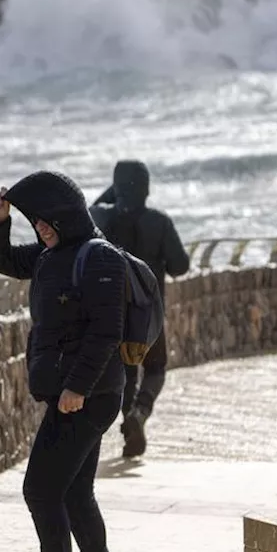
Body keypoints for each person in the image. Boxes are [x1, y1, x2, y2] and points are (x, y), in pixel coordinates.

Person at [0, 171, 124, 552]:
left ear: (67, 215)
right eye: (35, 220)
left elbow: (106, 332)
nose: (42, 227)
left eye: (48, 220)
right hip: (73, 392)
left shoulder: (97, 257)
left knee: (41, 489)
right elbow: (1, 259)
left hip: (87, 395)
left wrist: (77, 387)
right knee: (74, 492)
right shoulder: (48, 256)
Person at [89, 160, 190, 458]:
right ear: (147, 188)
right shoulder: (159, 222)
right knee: (155, 367)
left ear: (115, 186)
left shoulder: (100, 217)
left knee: (123, 372)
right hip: (149, 315)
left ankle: (127, 418)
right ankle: (140, 413)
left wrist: (113, 194)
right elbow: (181, 266)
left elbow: (82, 221)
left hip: (109, 313)